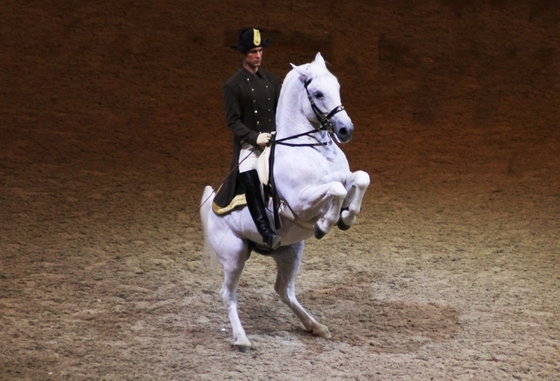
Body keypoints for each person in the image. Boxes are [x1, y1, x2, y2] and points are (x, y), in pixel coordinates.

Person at [214, 28, 281, 250]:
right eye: (253, 52)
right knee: (247, 170)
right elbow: (233, 122)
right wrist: (254, 137)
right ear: (244, 54)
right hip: (250, 145)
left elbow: (280, 111)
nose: (258, 55)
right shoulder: (232, 86)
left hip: (274, 139)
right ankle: (266, 232)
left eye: (260, 50)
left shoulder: (271, 79)